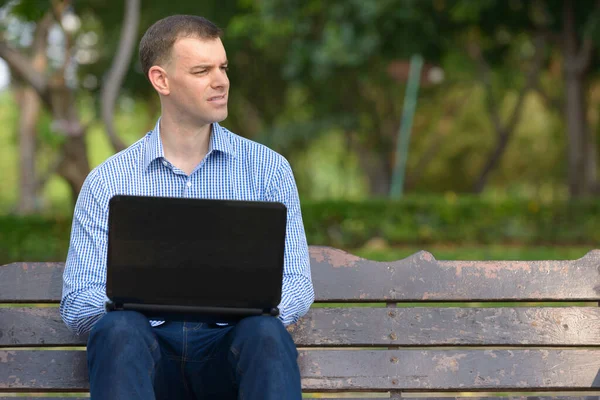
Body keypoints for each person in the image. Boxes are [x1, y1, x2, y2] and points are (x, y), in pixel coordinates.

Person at [60, 14, 314, 400]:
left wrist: (259, 307)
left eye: (223, 67)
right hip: (146, 361)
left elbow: (298, 281)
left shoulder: (268, 170)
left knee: (264, 332)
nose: (221, 81)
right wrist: (131, 301)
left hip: (228, 356)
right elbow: (78, 300)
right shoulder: (107, 182)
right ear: (161, 79)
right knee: (119, 329)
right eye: (201, 71)